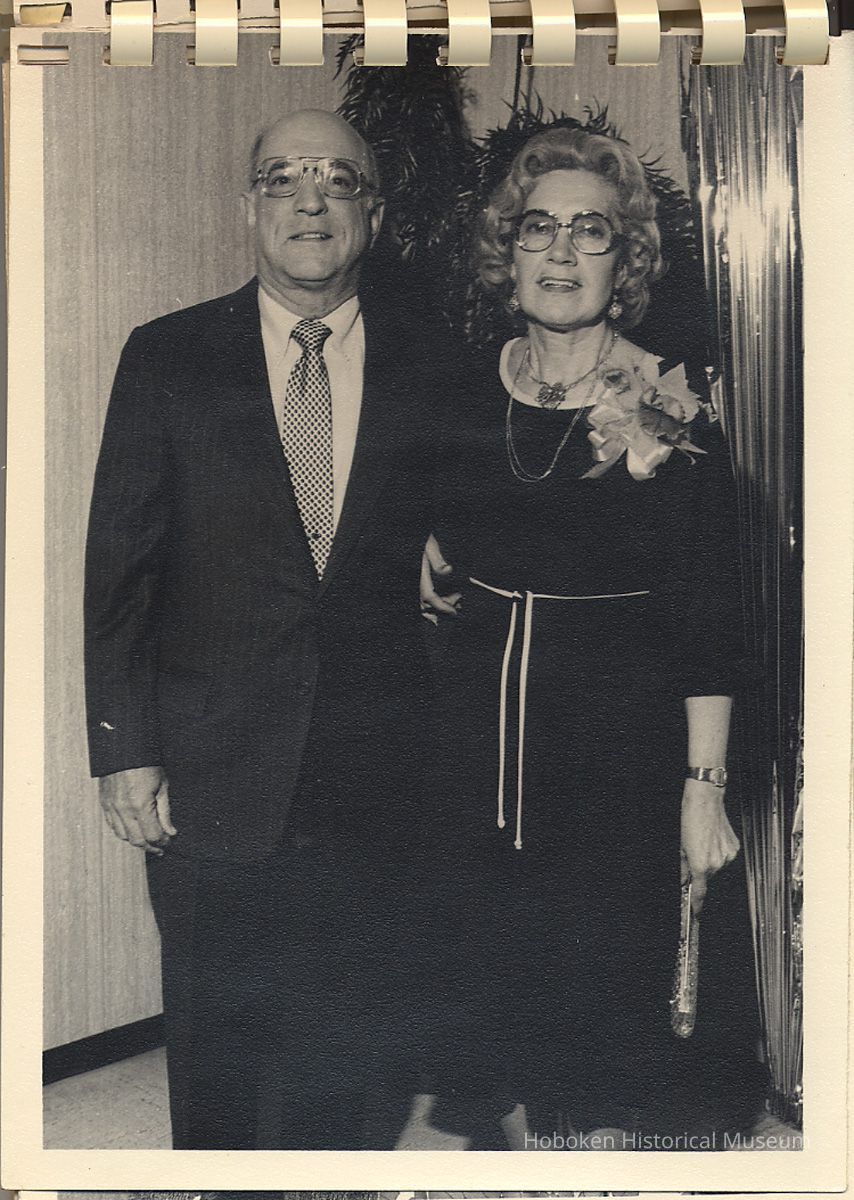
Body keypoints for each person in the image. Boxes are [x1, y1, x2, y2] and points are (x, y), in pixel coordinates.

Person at [84, 109, 440, 1150]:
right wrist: (125, 749)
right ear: (250, 208)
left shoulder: (435, 363)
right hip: (211, 767)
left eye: (338, 178)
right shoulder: (168, 355)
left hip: (375, 771)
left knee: (348, 1057)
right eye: (283, 178)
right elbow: (120, 571)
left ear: (375, 212)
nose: (310, 199)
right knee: (217, 1057)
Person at [422, 124, 762, 1147]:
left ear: (626, 262)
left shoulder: (669, 408)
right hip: (479, 756)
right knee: (499, 1049)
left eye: (591, 231)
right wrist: (415, 550)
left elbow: (709, 616)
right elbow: (415, 520)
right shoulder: (459, 388)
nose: (561, 252)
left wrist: (703, 791)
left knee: (606, 1063)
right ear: (507, 249)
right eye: (538, 227)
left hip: (615, 765)